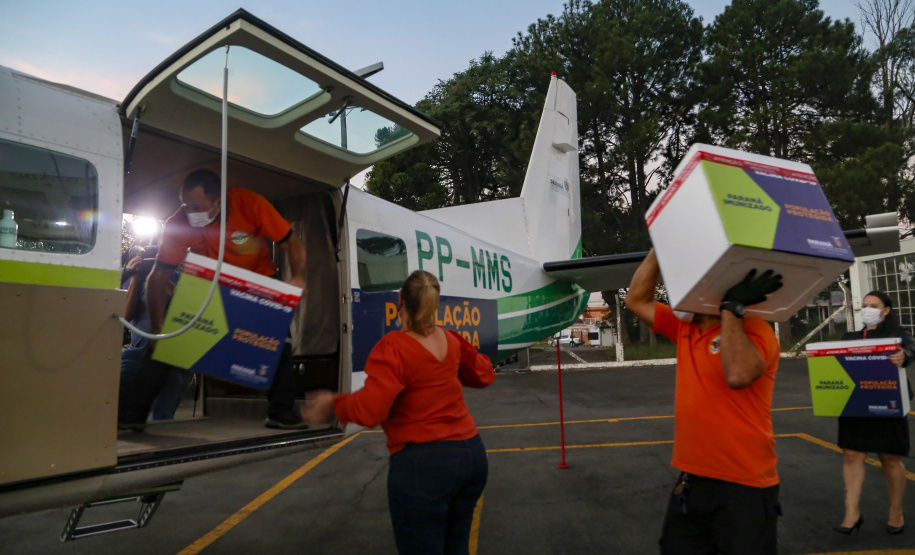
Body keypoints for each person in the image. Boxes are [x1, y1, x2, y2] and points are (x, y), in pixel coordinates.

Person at [304, 270, 495, 554]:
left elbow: (371, 411)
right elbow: (484, 373)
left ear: (400, 301)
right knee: (456, 546)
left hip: (424, 466)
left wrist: (333, 403)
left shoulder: (393, 347)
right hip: (472, 457)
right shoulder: (452, 340)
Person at [117, 169, 309, 431]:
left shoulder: (251, 205)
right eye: (186, 205)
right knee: (166, 346)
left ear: (218, 201)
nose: (190, 212)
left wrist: (298, 277)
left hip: (255, 279)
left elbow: (292, 243)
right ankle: (130, 416)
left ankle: (281, 412)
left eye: (197, 206)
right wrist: (159, 328)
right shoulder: (178, 223)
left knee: (277, 344)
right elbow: (158, 277)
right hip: (207, 284)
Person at [625, 249, 783, 555]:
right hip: (693, 481)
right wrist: (661, 246)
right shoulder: (685, 326)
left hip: (745, 485)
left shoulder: (755, 329)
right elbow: (636, 300)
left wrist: (731, 309)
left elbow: (738, 374)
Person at [833, 290, 914, 535]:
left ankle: (896, 511)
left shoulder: (898, 335)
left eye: (874, 305)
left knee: (889, 459)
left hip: (888, 401)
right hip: (856, 403)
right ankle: (851, 512)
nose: (867, 309)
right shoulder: (850, 337)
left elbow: (911, 348)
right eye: (864, 305)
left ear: (885, 310)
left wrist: (904, 355)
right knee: (852, 455)